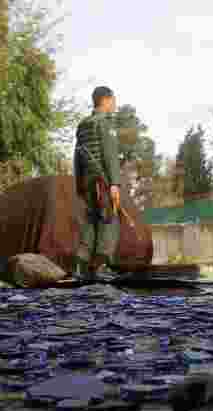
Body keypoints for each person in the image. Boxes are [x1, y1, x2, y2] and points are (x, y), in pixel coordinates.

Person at [73, 85, 123, 280]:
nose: (115, 105)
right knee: (109, 220)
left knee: (90, 222)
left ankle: (81, 265)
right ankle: (101, 267)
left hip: (87, 182)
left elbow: (77, 156)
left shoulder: (83, 125)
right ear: (106, 100)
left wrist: (79, 183)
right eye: (114, 100)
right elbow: (110, 156)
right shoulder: (105, 123)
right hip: (103, 182)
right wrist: (114, 184)